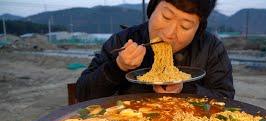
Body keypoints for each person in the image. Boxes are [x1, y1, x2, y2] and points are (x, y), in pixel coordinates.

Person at [76, 0, 235, 102]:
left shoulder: (211, 47)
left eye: (185, 26)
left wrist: (185, 88)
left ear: (198, 29)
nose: (169, 33)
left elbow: (226, 99)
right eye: (166, 17)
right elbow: (84, 95)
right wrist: (118, 66)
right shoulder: (123, 40)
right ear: (152, 10)